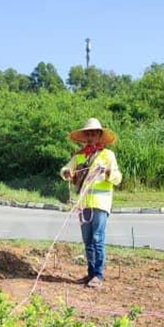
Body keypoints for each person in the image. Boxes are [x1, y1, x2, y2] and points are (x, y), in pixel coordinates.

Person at [60, 117, 122, 288]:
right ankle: (90, 274)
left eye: (94, 133)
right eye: (88, 134)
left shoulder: (108, 155)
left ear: (99, 135)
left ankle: (98, 275)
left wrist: (109, 172)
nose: (90, 136)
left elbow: (117, 178)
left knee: (97, 237)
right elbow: (65, 169)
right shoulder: (79, 157)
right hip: (84, 203)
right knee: (87, 239)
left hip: (101, 203)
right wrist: (67, 173)